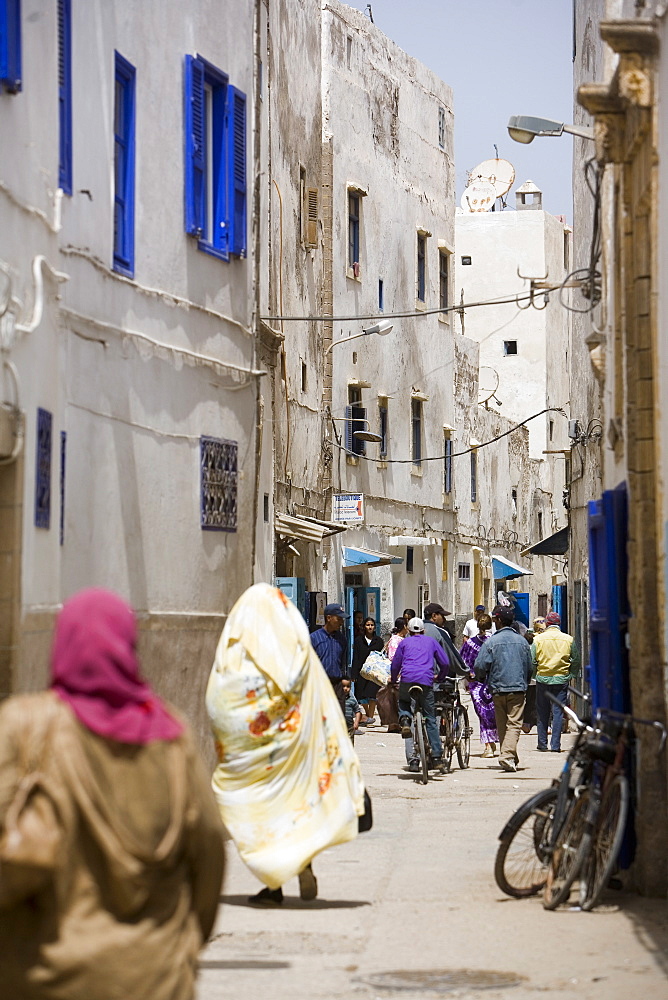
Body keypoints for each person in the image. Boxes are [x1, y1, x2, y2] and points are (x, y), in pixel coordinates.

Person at [0, 589, 225, 1000]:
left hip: (41, 973)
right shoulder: (171, 737)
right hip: (154, 977)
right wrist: (188, 941)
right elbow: (208, 850)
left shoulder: (24, 726)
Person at [207, 584, 365, 907]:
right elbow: (313, 699)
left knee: (262, 816)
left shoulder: (239, 653)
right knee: (291, 809)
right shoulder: (297, 654)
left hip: (255, 760)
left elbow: (224, 698)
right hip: (291, 751)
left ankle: (273, 882)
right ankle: (300, 862)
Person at [474, 605, 533, 772]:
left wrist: (480, 678)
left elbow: (480, 665)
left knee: (503, 724)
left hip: (498, 688)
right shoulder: (522, 641)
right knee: (514, 723)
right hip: (517, 688)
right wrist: (525, 682)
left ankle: (507, 755)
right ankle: (508, 756)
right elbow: (529, 666)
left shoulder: (491, 642)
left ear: (498, 621)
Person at [390, 617, 450, 770]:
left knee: (404, 702)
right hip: (426, 681)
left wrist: (393, 679)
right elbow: (445, 663)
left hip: (407, 679)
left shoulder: (404, 643)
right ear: (423, 630)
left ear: (408, 631)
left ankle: (404, 719)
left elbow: (395, 664)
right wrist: (440, 677)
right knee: (430, 718)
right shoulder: (431, 642)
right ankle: (436, 756)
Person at [532, 611, 580, 753]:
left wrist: (535, 675)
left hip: (543, 678)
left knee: (542, 712)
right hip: (561, 679)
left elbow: (532, 660)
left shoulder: (538, 640)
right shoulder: (568, 639)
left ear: (547, 623)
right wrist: (571, 674)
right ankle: (555, 745)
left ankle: (542, 743)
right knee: (558, 712)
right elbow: (576, 659)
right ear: (558, 623)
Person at [460, 613, 498, 757]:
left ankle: (489, 745)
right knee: (494, 713)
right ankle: (492, 744)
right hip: (494, 683)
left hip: (476, 684)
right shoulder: (495, 642)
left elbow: (462, 661)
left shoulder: (469, 644)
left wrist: (467, 677)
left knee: (483, 714)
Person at [310, 602, 349, 713]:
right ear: (329, 618)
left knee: (339, 717)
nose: (341, 622)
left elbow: (343, 662)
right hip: (319, 684)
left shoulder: (342, 640)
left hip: (337, 685)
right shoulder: (314, 638)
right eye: (339, 619)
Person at [351, 617, 384, 724]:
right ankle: (368, 714)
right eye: (368, 625)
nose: (370, 627)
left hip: (374, 672)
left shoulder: (379, 641)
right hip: (361, 671)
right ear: (364, 627)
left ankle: (370, 717)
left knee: (372, 695)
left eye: (372, 625)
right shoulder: (358, 640)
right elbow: (355, 657)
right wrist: (354, 673)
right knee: (361, 695)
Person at [341, 677, 362, 741]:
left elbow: (357, 711)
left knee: (350, 742)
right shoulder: (337, 699)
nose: (345, 688)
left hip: (349, 725)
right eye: (343, 686)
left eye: (348, 686)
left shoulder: (352, 699)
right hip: (339, 724)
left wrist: (356, 722)